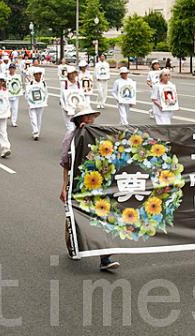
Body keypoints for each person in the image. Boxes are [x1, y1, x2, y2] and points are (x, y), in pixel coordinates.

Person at [58, 103, 119, 271]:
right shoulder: (71, 137)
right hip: (78, 182)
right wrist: (64, 186)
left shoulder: (98, 136)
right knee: (75, 216)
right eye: (87, 117)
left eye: (92, 116)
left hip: (97, 183)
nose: (91, 119)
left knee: (101, 215)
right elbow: (66, 164)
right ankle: (72, 245)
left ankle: (105, 258)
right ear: (79, 120)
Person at [26, 67, 47, 140]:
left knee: (39, 118)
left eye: (39, 74)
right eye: (36, 74)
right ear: (34, 75)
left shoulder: (43, 83)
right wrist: (29, 101)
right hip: (32, 104)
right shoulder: (30, 83)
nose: (38, 76)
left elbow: (46, 93)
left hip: (41, 103)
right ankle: (35, 131)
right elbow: (27, 93)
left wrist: (45, 100)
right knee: (33, 117)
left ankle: (37, 131)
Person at [59, 66, 82, 132]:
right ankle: (70, 141)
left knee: (77, 127)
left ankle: (71, 141)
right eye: (70, 73)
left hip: (76, 108)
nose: (72, 75)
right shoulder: (64, 84)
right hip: (67, 108)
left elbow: (81, 96)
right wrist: (65, 107)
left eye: (73, 73)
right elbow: (61, 97)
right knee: (70, 128)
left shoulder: (78, 84)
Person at [6, 63, 21, 127]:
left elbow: (19, 85)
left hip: (15, 94)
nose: (12, 70)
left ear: (15, 69)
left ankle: (14, 122)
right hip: (8, 94)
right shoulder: (6, 76)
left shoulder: (18, 76)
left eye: (13, 68)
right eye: (11, 68)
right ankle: (6, 117)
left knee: (15, 108)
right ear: (9, 69)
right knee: (8, 107)